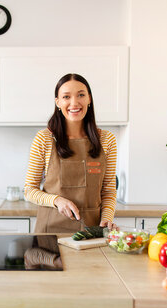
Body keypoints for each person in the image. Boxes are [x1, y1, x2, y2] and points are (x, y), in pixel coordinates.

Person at [24, 73, 118, 233]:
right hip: (50, 231)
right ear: (58, 102)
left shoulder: (107, 140)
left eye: (81, 95)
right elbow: (29, 190)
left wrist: (107, 218)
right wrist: (57, 200)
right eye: (66, 96)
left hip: (91, 231)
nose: (74, 102)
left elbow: (108, 189)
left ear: (89, 99)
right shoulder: (44, 139)